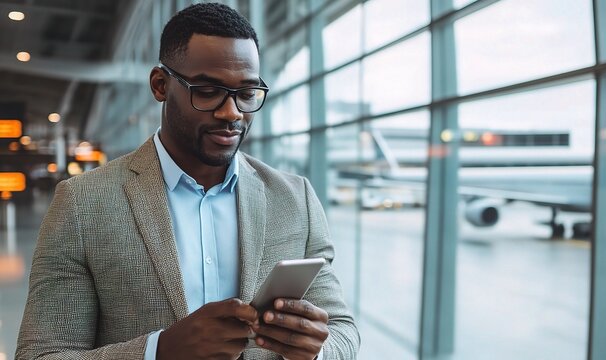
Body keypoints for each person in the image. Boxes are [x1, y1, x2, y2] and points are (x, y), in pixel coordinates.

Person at [15, 3, 359, 360]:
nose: (232, 113)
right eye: (207, 91)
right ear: (160, 85)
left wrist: (315, 350)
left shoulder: (294, 198)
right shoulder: (82, 203)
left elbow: (342, 331)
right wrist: (158, 351)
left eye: (246, 93)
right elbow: (42, 354)